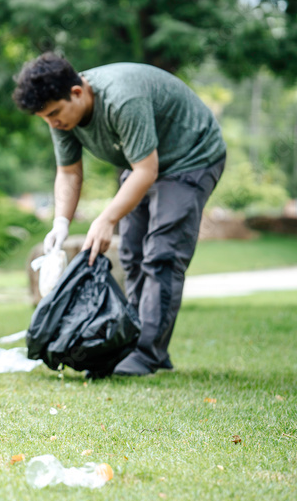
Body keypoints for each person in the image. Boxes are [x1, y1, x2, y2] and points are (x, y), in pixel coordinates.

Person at [12, 53, 226, 376]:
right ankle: (133, 344)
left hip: (191, 157)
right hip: (144, 163)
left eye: (54, 114)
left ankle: (146, 354)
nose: (53, 123)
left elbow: (146, 169)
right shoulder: (61, 115)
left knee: (163, 254)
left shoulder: (122, 98)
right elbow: (69, 173)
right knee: (131, 252)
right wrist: (61, 223)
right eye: (45, 118)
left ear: (78, 92)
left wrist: (106, 218)